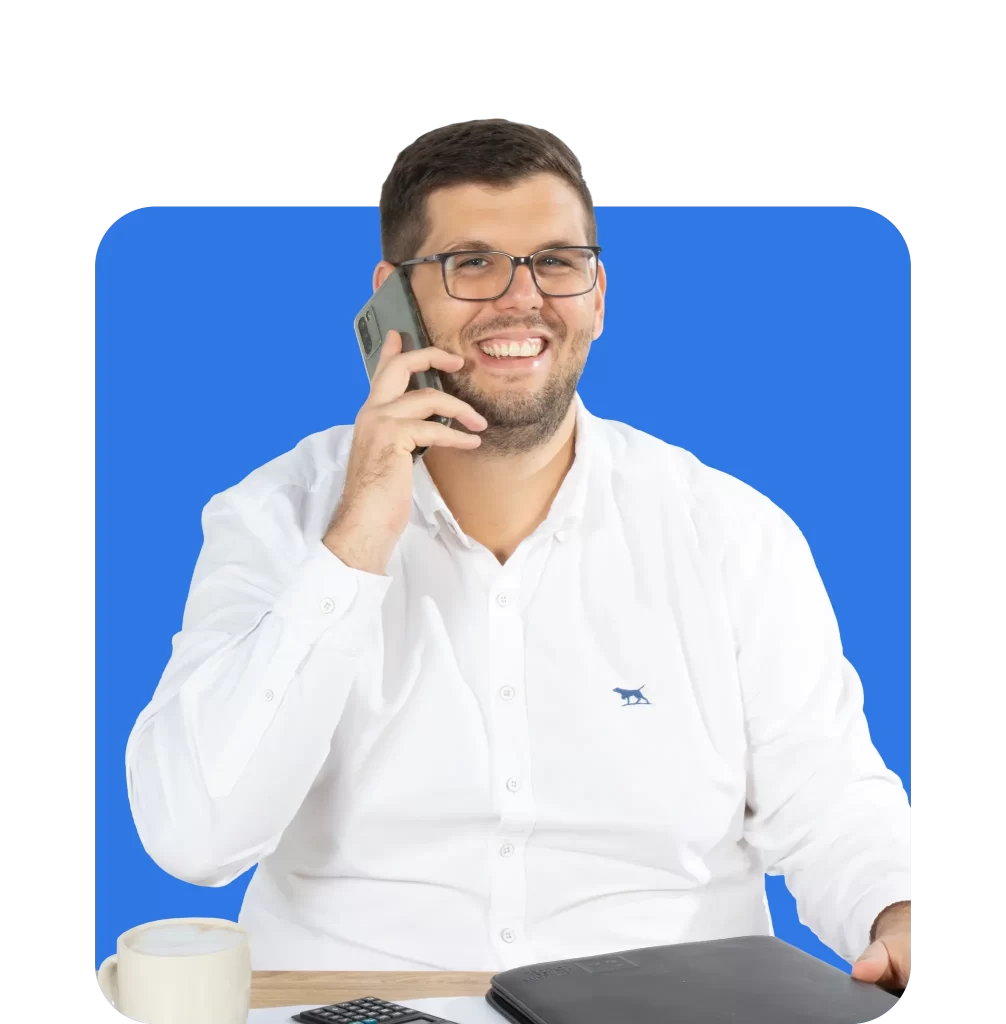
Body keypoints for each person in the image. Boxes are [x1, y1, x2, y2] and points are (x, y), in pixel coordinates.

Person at [124, 119, 911, 992]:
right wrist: (354, 546)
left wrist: (896, 911)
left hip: (670, 1010)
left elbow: (832, 797)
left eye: (557, 261)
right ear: (393, 297)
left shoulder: (731, 533)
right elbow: (193, 837)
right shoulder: (274, 518)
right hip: (349, 1009)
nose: (521, 298)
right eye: (472, 263)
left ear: (600, 292)